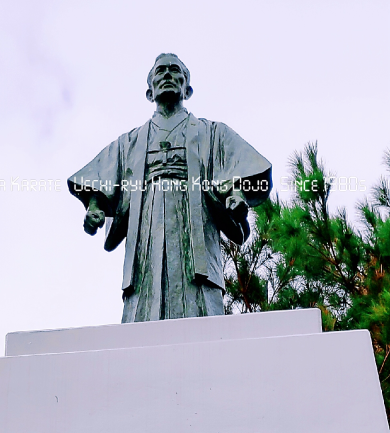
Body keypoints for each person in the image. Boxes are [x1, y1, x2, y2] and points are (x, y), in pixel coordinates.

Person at [68, 53, 272, 323]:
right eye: (159, 71)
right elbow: (102, 178)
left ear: (187, 89)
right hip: (146, 227)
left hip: (194, 226)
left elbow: (239, 166)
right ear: (149, 91)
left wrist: (237, 195)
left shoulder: (212, 132)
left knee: (199, 306)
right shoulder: (129, 142)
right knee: (143, 298)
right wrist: (95, 207)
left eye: (175, 70)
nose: (166, 75)